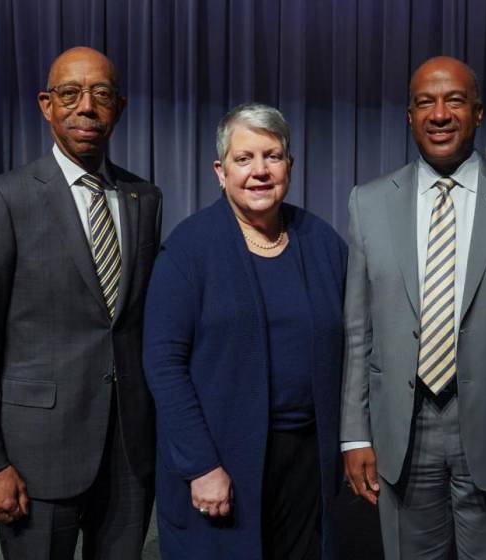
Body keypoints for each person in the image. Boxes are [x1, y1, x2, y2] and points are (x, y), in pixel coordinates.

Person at [340, 56, 486, 558]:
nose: (439, 114)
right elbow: (359, 332)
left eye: (454, 100)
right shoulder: (368, 203)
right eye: (425, 102)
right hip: (402, 431)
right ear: (410, 115)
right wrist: (354, 435)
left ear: (479, 113)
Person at [0, 47, 162, 559]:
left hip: (130, 452)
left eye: (102, 95)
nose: (86, 107)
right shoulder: (4, 199)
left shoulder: (145, 198)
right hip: (34, 456)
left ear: (121, 106)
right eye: (70, 94)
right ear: (47, 105)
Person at [142, 102, 347, 560]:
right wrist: (200, 465)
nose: (260, 171)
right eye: (244, 159)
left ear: (289, 166)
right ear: (220, 172)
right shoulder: (189, 249)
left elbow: (354, 344)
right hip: (223, 458)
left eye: (272, 156)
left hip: (308, 462)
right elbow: (163, 364)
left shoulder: (323, 242)